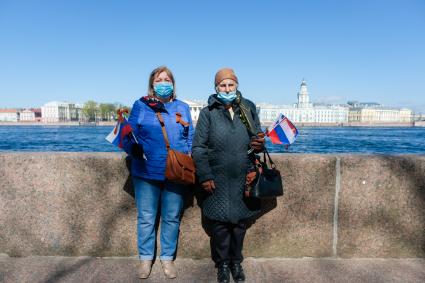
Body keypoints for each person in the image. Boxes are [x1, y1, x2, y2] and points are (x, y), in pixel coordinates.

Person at [192, 68, 265, 283]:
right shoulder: (208, 113)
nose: (227, 89)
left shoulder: (248, 108)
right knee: (220, 226)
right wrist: (205, 176)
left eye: (230, 85)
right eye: (222, 85)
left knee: (240, 224)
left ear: (237, 86)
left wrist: (258, 145)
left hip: (244, 175)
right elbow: (198, 148)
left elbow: (257, 138)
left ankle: (236, 262)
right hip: (217, 178)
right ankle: (222, 264)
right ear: (216, 88)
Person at [122, 66, 194, 279]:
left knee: (171, 217)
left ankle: (167, 258)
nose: (163, 83)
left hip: (176, 171)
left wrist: (188, 158)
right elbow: (128, 134)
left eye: (167, 79)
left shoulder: (183, 107)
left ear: (173, 84)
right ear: (152, 85)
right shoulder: (141, 105)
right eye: (159, 80)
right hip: (145, 171)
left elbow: (190, 136)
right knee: (146, 217)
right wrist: (131, 148)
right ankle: (145, 259)